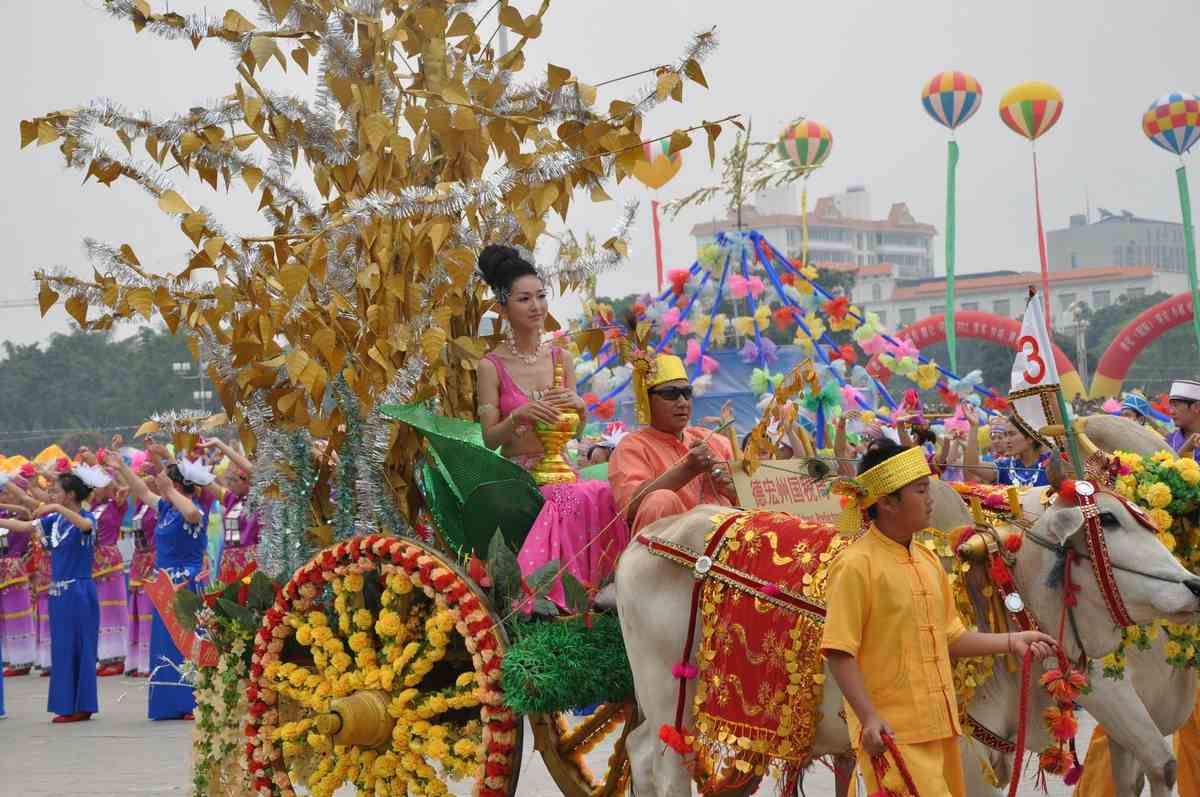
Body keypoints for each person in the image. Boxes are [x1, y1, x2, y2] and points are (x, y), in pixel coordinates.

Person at [821, 440, 1057, 796]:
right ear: (887, 502)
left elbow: (951, 637)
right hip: (893, 735)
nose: (931, 499)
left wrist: (1012, 642)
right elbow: (839, 650)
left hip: (941, 728)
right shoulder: (856, 565)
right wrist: (868, 716)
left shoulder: (928, 560)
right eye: (920, 491)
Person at [474, 245, 629, 608]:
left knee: (604, 493)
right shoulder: (490, 366)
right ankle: (554, 602)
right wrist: (519, 417)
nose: (536, 307)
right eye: (524, 299)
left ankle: (602, 593)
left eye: (541, 297)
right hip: (521, 477)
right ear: (502, 307)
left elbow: (572, 431)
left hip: (562, 468)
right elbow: (489, 438)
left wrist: (580, 410)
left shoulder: (562, 358)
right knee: (567, 498)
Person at [0, 466, 109, 723]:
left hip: (80, 591)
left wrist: (56, 508)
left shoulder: (87, 517)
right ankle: (68, 704)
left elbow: (84, 526)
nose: (51, 494)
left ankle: (82, 705)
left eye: (56, 491)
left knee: (81, 647)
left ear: (70, 495)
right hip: (59, 594)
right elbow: (25, 525)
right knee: (62, 648)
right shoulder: (55, 522)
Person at [111, 451, 212, 720]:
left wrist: (169, 489)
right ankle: (167, 703)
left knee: (185, 642)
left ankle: (192, 700)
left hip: (185, 584)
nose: (160, 486)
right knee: (165, 643)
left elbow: (191, 512)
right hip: (164, 583)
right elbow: (143, 490)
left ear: (178, 486)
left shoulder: (194, 509)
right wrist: (120, 467)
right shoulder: (166, 509)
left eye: (168, 482)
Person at [608, 352, 737, 534]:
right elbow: (630, 507)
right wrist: (688, 469)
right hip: (671, 553)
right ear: (647, 400)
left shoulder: (714, 440)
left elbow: (755, 500)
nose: (683, 402)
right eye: (671, 394)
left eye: (687, 393)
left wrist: (732, 490)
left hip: (725, 544)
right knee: (660, 500)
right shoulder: (632, 447)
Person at [79, 448, 129, 677]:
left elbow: (123, 486)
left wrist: (106, 467)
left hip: (110, 561)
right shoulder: (94, 508)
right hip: (92, 562)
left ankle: (117, 658)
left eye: (99, 485)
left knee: (113, 609)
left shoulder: (116, 504)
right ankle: (104, 655)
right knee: (98, 610)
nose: (95, 488)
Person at [199, 438, 260, 575]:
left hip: (251, 563)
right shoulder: (233, 499)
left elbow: (252, 471)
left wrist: (220, 445)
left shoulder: (259, 500)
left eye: (234, 480)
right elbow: (207, 482)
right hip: (229, 563)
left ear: (248, 482)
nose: (230, 484)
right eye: (229, 480)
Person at [124, 459, 158, 678]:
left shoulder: (162, 502)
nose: (144, 479)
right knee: (136, 610)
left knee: (148, 610)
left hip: (153, 559)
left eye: (148, 474)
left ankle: (149, 661)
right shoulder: (140, 505)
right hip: (139, 559)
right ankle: (136, 660)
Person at [0, 478, 37, 677]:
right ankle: (8, 659)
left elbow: (24, 512)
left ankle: (22, 660)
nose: (2, 496)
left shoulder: (23, 514)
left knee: (16, 616)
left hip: (14, 569)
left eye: (5, 492)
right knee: (3, 619)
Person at [1167, 380, 1200, 461]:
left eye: (1176, 406)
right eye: (1171, 406)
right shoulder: (1168, 441)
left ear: (1196, 407)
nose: (1171, 412)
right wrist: (1186, 449)